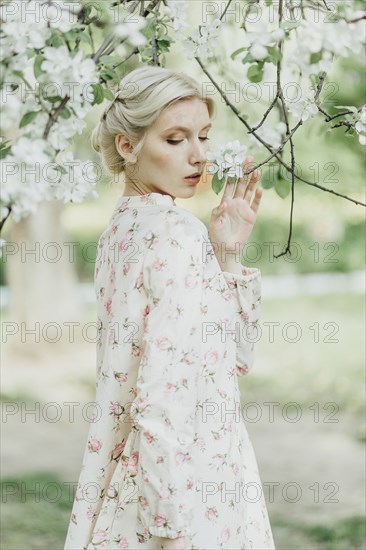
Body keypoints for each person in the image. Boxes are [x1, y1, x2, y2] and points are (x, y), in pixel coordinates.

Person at [64, 66, 275, 550]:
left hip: (137, 474)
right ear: (127, 146)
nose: (199, 155)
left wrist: (227, 259)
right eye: (176, 139)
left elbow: (228, 360)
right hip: (189, 487)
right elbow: (162, 397)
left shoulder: (119, 232)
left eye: (202, 136)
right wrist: (170, 527)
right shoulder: (175, 234)